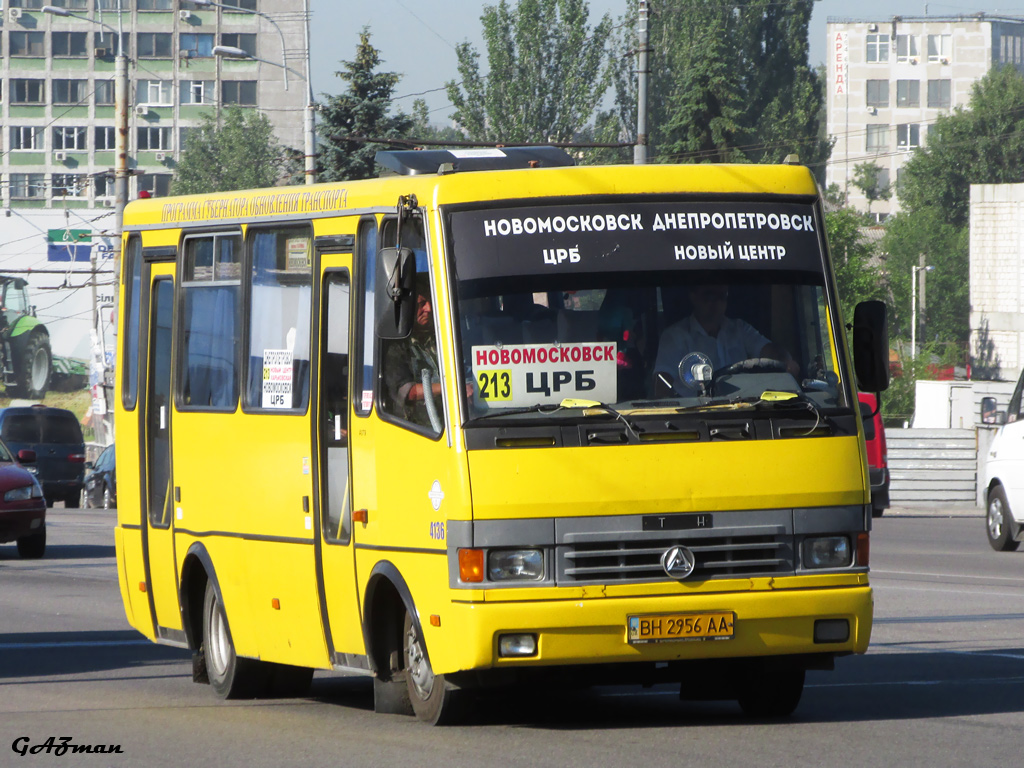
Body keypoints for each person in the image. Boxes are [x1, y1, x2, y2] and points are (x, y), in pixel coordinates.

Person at [654, 284, 800, 394]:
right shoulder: (675, 336)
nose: (716, 302)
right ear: (693, 296)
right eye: (709, 296)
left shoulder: (740, 329)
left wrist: (785, 361)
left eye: (722, 296)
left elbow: (769, 351)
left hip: (743, 412)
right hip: (695, 417)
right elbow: (662, 383)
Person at [382, 275, 443, 429]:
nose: (429, 308)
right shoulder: (396, 348)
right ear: (406, 310)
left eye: (429, 302)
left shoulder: (442, 337)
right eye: (421, 304)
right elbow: (409, 392)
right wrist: (451, 388)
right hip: (417, 430)